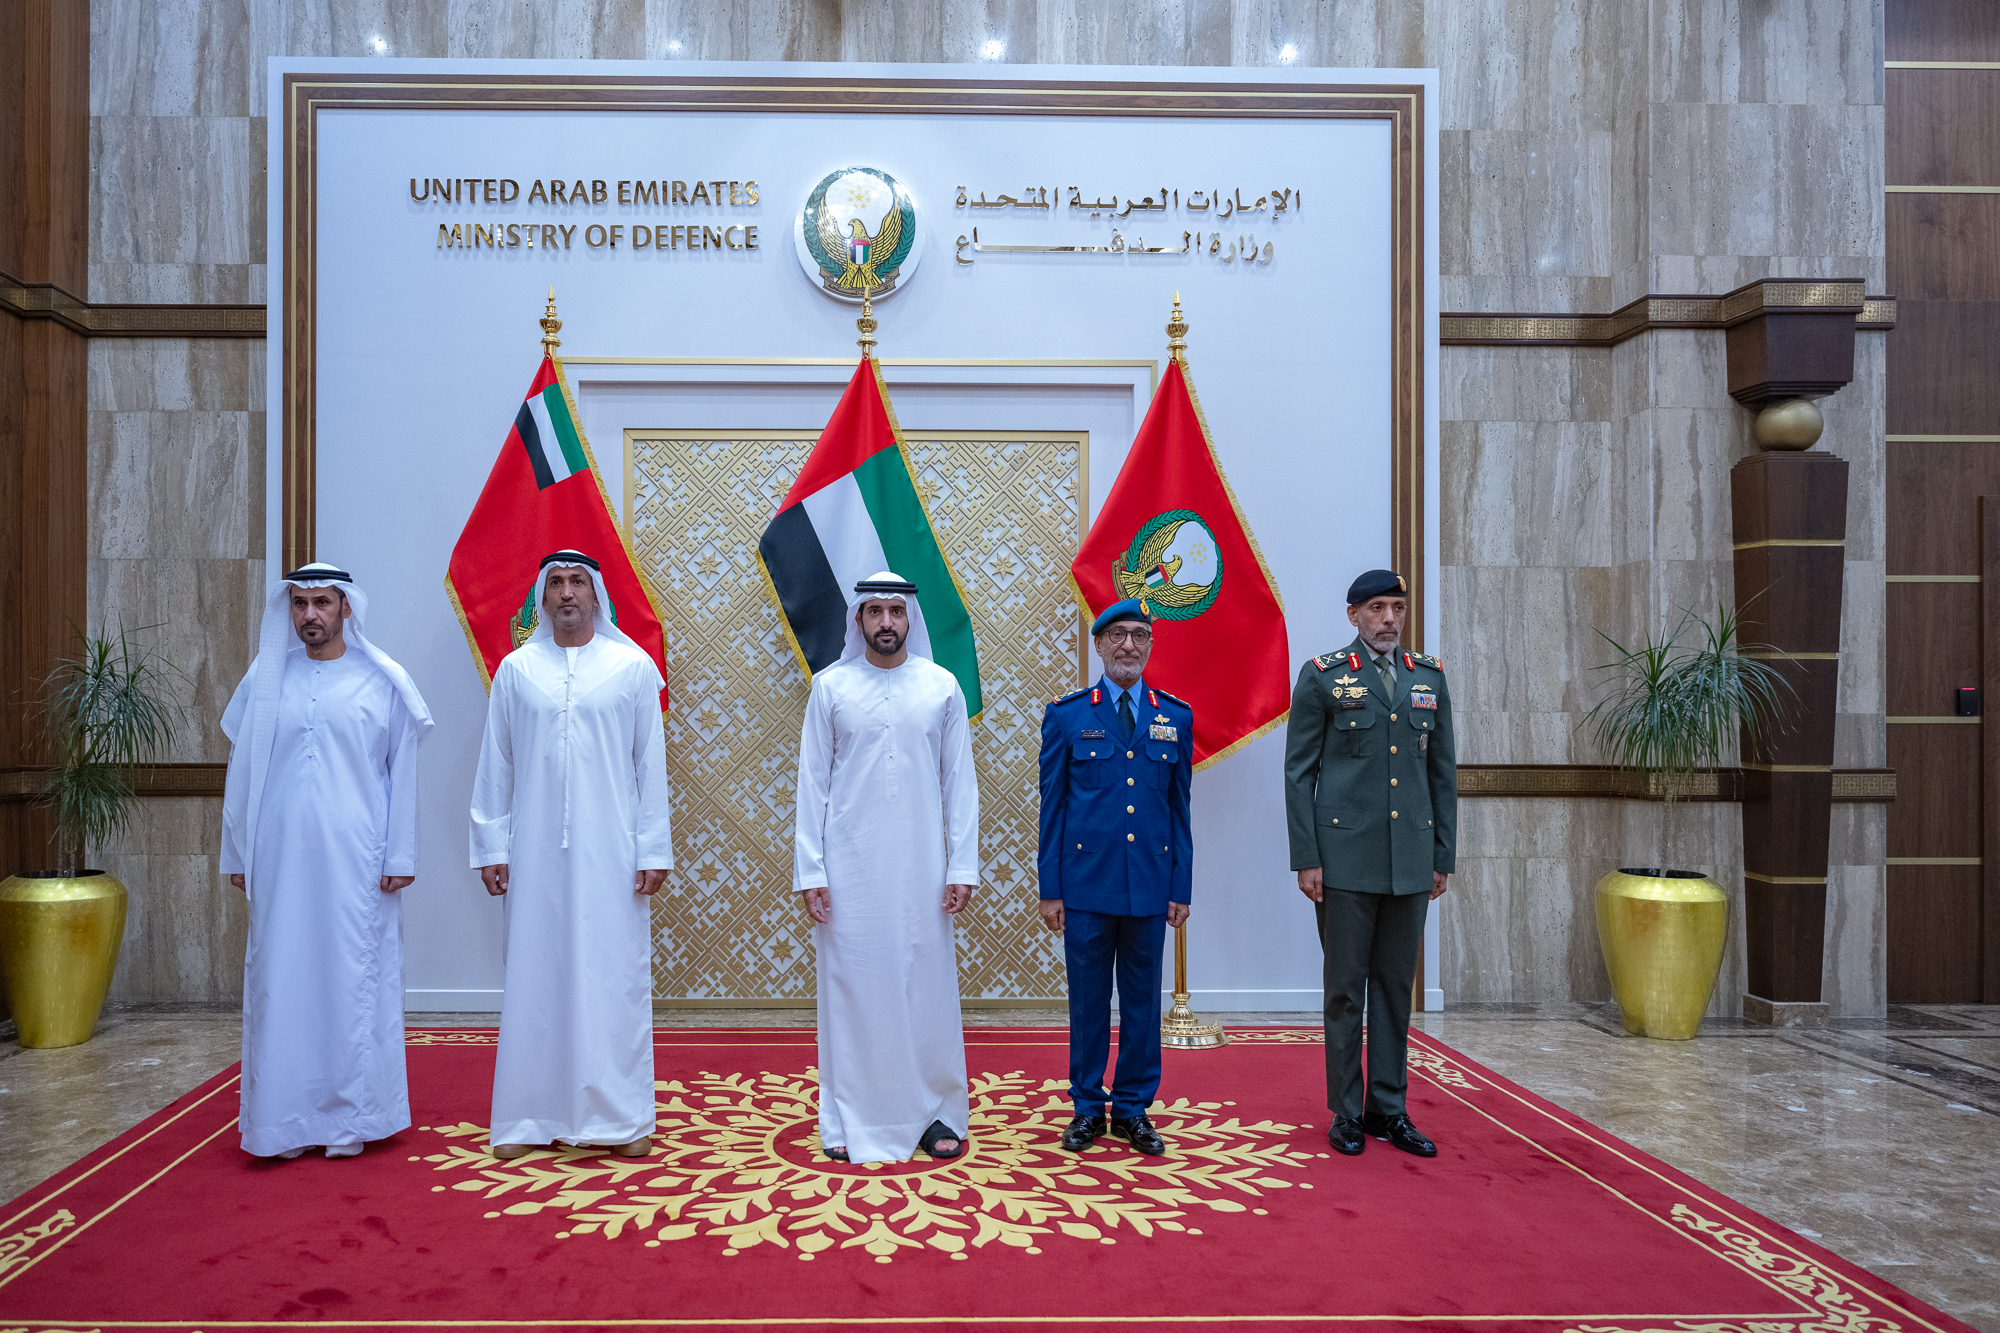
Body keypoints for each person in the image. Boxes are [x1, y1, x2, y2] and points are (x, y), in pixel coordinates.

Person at [220, 562, 432, 1160]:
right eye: (300, 604)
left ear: (346, 609)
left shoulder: (382, 681)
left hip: (358, 864)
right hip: (280, 862)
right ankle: (281, 1125)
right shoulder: (266, 678)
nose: (310, 615)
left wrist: (401, 854)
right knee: (280, 981)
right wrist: (236, 851)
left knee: (351, 982)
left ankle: (350, 1122)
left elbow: (402, 774)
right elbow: (243, 772)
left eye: (322, 603)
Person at [470, 550, 673, 1160]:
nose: (565, 594)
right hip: (532, 853)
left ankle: (620, 1119)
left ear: (595, 594)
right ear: (540, 595)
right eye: (555, 583)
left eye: (576, 582)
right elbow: (496, 762)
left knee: (612, 979)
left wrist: (651, 848)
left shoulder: (632, 667)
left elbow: (649, 767)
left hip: (612, 851)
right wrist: (491, 843)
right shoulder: (515, 670)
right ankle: (528, 1116)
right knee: (536, 974)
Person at [794, 572, 979, 1165]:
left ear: (909, 619)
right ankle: (852, 1114)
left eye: (895, 612)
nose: (885, 623)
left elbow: (960, 785)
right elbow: (812, 785)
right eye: (873, 612)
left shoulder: (941, 687)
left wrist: (962, 865)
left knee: (925, 989)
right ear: (858, 620)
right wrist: (812, 871)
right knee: (855, 989)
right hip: (850, 870)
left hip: (925, 868)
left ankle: (936, 1112)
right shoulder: (830, 687)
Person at [1284, 569, 1455, 1158]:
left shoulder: (1426, 678)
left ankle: (1389, 1108)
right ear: (1353, 614)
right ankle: (1345, 1112)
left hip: (1409, 860)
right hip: (1344, 862)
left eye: (1398, 609)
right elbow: (1298, 773)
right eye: (1377, 608)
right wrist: (1307, 858)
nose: (1389, 620)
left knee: (1391, 990)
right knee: (1344, 993)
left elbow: (1442, 775)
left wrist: (1441, 856)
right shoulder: (1324, 677)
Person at [1037, 598, 1192, 1156]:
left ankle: (1132, 1108)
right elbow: (1052, 807)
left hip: (1150, 885)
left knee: (1143, 1001)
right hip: (1085, 886)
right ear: (1098, 645)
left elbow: (1180, 810)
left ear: (1150, 646)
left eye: (1139, 636)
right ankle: (1085, 1107)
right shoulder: (1068, 714)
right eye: (1118, 636)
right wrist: (1050, 888)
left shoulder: (1174, 715)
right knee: (1088, 1001)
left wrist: (1181, 887)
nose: (1129, 645)